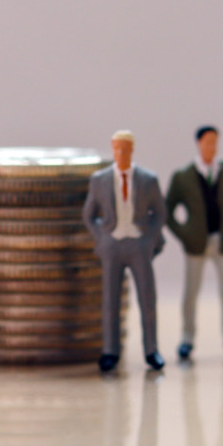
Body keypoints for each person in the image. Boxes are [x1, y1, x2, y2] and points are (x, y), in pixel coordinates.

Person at [82, 130, 167, 373]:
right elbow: (89, 215)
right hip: (112, 245)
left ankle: (151, 350)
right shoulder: (99, 180)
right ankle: (110, 351)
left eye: (125, 149)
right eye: (116, 148)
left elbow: (160, 212)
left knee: (147, 298)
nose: (120, 153)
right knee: (110, 300)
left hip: (139, 245)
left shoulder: (148, 179)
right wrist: (102, 238)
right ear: (112, 149)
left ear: (132, 150)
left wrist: (149, 238)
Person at [165, 126, 223, 359]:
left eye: (214, 142)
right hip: (196, 244)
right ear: (198, 144)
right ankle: (187, 337)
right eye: (206, 142)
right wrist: (185, 234)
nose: (211, 147)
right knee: (191, 292)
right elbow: (168, 209)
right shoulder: (183, 177)